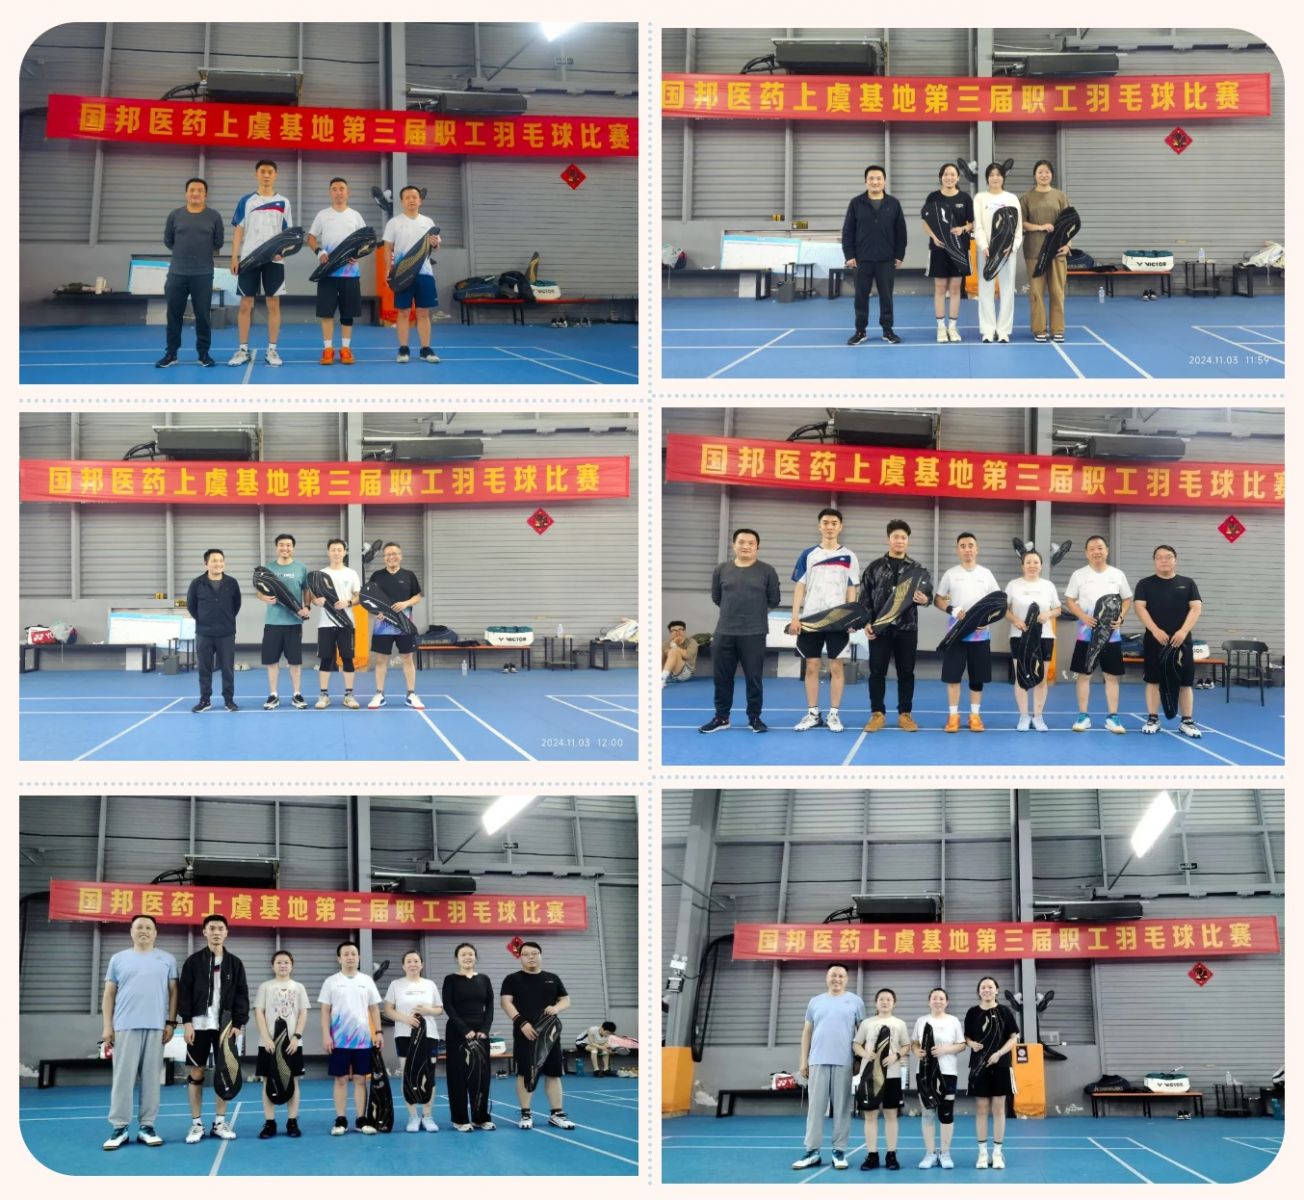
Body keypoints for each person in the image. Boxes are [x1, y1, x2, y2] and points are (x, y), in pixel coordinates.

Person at [101, 915, 178, 1150]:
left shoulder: (167, 959)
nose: (144, 930)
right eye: (139, 927)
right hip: (125, 1026)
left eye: (148, 927)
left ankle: (147, 1126)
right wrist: (107, 1026)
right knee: (122, 1079)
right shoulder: (118, 959)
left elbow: (174, 992)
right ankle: (120, 1127)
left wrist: (171, 1022)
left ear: (155, 933)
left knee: (152, 1080)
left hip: (156, 1027)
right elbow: (109, 994)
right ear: (131, 931)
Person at [699, 528, 781, 734]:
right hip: (724, 632)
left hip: (754, 633)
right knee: (722, 678)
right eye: (741, 542)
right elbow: (717, 597)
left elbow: (774, 599)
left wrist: (753, 614)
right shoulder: (721, 569)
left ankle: (754, 718)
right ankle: (721, 717)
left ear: (757, 547)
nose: (746, 546)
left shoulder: (767, 571)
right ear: (733, 545)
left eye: (751, 543)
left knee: (754, 679)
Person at [177, 914, 249, 1145]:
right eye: (212, 928)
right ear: (205, 932)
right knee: (196, 1072)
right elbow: (184, 993)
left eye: (220, 928)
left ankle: (219, 1122)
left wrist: (238, 1023)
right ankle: (196, 1123)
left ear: (226, 933)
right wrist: (187, 1022)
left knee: (224, 1072)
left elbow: (242, 995)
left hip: (225, 1026)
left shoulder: (235, 963)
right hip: (198, 1026)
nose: (216, 932)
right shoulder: (193, 962)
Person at [788, 507, 861, 733]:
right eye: (826, 523)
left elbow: (852, 588)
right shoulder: (808, 554)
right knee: (811, 666)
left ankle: (834, 714)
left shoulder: (849, 556)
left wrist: (850, 618)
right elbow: (800, 587)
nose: (830, 527)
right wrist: (795, 617)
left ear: (840, 527)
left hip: (837, 621)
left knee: (836, 666)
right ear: (819, 526)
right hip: (811, 620)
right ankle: (812, 713)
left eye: (834, 523)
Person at [859, 519, 933, 732]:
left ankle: (905, 715)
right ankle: (877, 714)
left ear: (908, 540)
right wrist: (867, 622)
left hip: (907, 628)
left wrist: (925, 600)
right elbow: (865, 598)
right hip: (880, 629)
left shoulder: (917, 569)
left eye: (903, 537)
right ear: (888, 539)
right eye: (895, 537)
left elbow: (928, 594)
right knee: (877, 672)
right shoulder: (874, 568)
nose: (899, 541)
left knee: (906, 672)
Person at [792, 964, 865, 1171]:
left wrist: (859, 1061)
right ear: (827, 978)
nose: (837, 979)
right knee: (815, 1109)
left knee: (841, 1109)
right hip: (817, 1061)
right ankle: (812, 1151)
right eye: (833, 975)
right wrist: (803, 1060)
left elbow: (862, 1034)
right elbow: (807, 1032)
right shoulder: (815, 1002)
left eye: (841, 976)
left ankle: (839, 1151)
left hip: (844, 1062)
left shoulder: (856, 1002)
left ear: (846, 979)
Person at [500, 941, 577, 1131]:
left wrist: (556, 1008)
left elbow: (566, 1000)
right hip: (525, 1033)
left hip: (550, 1035)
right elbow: (506, 1002)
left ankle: (557, 1114)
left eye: (534, 953)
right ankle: (526, 1113)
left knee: (553, 1073)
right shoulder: (512, 979)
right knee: (525, 1073)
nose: (531, 957)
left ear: (540, 955)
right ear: (520, 957)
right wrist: (521, 1022)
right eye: (526, 954)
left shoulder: (552, 978)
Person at [1133, 545, 1204, 738]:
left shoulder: (1188, 583)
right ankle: (1153, 719)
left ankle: (1187, 721)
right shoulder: (1145, 584)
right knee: (1153, 680)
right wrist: (1155, 630)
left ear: (1175, 560)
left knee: (1185, 682)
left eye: (1168, 556)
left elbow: (1196, 608)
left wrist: (1183, 631)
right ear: (1154, 561)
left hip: (1181, 642)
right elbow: (1139, 608)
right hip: (1154, 641)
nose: (1164, 560)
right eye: (1159, 557)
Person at [1064, 536, 1133, 734]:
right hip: (1086, 635)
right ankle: (1083, 716)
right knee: (1084, 675)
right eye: (1092, 548)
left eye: (1100, 548)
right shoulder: (1078, 575)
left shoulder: (1117, 574)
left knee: (1111, 676)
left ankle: (1113, 717)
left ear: (1107, 550)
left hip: (1112, 636)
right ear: (1086, 553)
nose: (1096, 551)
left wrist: (1121, 617)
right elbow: (1070, 600)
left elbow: (1127, 599)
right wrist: (1083, 616)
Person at [934, 532, 1003, 732]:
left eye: (970, 545)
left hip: (980, 636)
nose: (967, 549)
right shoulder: (951, 574)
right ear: (958, 550)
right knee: (953, 677)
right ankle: (953, 716)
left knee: (977, 678)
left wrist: (987, 619)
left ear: (977, 549)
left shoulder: (986, 574)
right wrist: (951, 609)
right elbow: (938, 599)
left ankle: (975, 716)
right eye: (963, 546)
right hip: (955, 636)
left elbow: (998, 602)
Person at [228, 159, 293, 367]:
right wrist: (234, 257)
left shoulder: (284, 202)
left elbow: (288, 234)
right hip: (249, 258)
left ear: (275, 175)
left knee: (273, 303)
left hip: (274, 260)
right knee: (245, 304)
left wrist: (283, 252)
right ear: (256, 174)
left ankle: (272, 350)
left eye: (270, 172)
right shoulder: (246, 201)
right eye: (263, 171)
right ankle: (242, 350)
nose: (266, 175)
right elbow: (238, 230)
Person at [157, 177, 224, 368]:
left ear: (205, 194)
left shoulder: (214, 216)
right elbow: (168, 241)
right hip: (177, 274)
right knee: (173, 315)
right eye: (192, 190)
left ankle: (203, 354)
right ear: (186, 193)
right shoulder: (175, 215)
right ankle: (171, 354)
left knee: (203, 316)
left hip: (203, 275)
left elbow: (218, 243)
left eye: (200, 190)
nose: (195, 193)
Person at [319, 940, 383, 1135]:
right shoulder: (331, 981)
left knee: (360, 1079)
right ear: (339, 958)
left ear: (359, 957)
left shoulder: (367, 980)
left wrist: (378, 1032)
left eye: (353, 954)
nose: (350, 957)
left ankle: (361, 1119)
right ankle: (341, 1120)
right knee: (340, 1079)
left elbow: (374, 1008)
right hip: (339, 1040)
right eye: (346, 954)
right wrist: (326, 1035)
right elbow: (325, 1010)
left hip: (363, 1040)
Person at [842, 165, 907, 345]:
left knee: (886, 297)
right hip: (861, 260)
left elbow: (901, 232)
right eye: (871, 178)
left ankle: (888, 330)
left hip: (886, 259)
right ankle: (860, 331)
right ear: (866, 181)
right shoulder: (856, 203)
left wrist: (899, 255)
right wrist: (849, 255)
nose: (875, 181)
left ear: (884, 181)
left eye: (879, 178)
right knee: (861, 297)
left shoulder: (893, 204)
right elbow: (848, 231)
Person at [307, 177, 368, 364]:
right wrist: (319, 251)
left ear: (348, 192)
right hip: (328, 273)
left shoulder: (355, 216)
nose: (338, 192)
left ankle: (345, 349)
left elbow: (366, 240)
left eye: (342, 189)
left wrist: (359, 254)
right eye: (334, 189)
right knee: (326, 313)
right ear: (330, 192)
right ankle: (328, 350)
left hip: (350, 273)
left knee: (347, 313)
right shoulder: (322, 215)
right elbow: (311, 238)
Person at [383, 951, 444, 1133]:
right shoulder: (396, 985)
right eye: (409, 961)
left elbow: (439, 1009)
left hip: (429, 1035)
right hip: (404, 1035)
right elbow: (388, 1010)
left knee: (429, 1075)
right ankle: (412, 1116)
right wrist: (405, 1019)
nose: (413, 964)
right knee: (408, 1075)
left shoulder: (429, 984)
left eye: (416, 961)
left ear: (421, 964)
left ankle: (428, 1116)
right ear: (403, 965)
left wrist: (428, 1010)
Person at [963, 976, 1020, 1170]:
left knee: (998, 1108)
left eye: (990, 987)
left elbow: (1013, 1038)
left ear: (996, 990)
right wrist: (971, 1043)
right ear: (979, 991)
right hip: (979, 1065)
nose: (986, 990)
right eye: (983, 987)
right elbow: (966, 1037)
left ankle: (997, 1153)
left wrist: (999, 1053)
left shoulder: (1005, 1011)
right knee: (981, 1108)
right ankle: (982, 1153)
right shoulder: (972, 1012)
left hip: (1001, 1064)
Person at [253, 949, 310, 1139]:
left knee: (292, 1081)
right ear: (272, 966)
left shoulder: (298, 987)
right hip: (269, 1044)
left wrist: (296, 1037)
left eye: (286, 962)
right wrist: (266, 1038)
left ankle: (292, 1121)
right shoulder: (265, 987)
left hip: (292, 1044)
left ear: (292, 966)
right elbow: (259, 1012)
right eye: (279, 962)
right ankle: (269, 1122)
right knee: (267, 1081)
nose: (283, 965)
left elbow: (303, 1013)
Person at [382, 185, 442, 363]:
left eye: (414, 197)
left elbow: (436, 247)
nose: (411, 200)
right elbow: (387, 248)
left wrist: (435, 244)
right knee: (403, 312)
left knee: (423, 312)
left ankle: (425, 350)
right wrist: (388, 269)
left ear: (420, 200)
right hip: (402, 274)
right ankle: (403, 349)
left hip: (425, 273)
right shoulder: (394, 223)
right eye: (407, 197)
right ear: (402, 202)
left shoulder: (428, 222)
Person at [852, 987, 910, 1172]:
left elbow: (906, 1045)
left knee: (891, 1115)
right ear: (876, 1003)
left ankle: (891, 1155)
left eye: (888, 999)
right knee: (870, 1116)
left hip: (892, 1076)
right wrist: (865, 1054)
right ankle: (872, 1155)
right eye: (881, 999)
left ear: (894, 1003)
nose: (885, 1002)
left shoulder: (900, 1024)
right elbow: (856, 1044)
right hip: (870, 1075)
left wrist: (897, 1055)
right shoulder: (867, 1023)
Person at [441, 942, 496, 1132]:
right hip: (457, 1032)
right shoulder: (450, 979)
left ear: (475, 957)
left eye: (470, 954)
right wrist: (464, 1029)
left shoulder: (484, 979)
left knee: (481, 1076)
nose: (467, 957)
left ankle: (480, 1118)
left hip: (480, 1033)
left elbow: (490, 1006)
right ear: (457, 959)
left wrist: (485, 1029)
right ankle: (460, 1119)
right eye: (463, 954)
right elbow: (448, 1006)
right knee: (458, 1076)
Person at [1006, 549, 1062, 731]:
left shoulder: (1048, 586)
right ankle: (1023, 716)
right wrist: (1015, 620)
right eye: (1028, 562)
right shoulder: (1013, 585)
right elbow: (1004, 609)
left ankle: (1038, 717)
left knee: (1041, 678)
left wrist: (1049, 614)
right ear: (1022, 565)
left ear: (1041, 566)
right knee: (1021, 677)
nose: (1032, 565)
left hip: (1044, 637)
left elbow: (1058, 609)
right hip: (1019, 636)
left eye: (1036, 562)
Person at [367, 541, 425, 710]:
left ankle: (411, 695)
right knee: (381, 660)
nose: (391, 557)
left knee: (407, 658)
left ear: (400, 556)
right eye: (387, 554)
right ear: (384, 557)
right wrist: (376, 612)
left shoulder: (409, 575)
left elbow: (417, 597)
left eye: (394, 554)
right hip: (382, 626)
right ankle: (379, 694)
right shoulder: (377, 576)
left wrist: (405, 603)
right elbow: (369, 598)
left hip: (405, 625)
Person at [912, 987, 966, 1169]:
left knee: (946, 1112)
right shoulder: (921, 1021)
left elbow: (961, 1045)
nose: (938, 1001)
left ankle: (945, 1153)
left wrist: (945, 1049)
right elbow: (914, 1042)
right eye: (934, 998)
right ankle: (930, 1153)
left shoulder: (953, 1021)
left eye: (941, 998)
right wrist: (916, 1051)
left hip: (947, 1073)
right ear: (929, 1002)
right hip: (925, 1073)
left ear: (946, 1002)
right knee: (928, 1113)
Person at [920, 163, 974, 344]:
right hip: (939, 249)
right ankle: (941, 328)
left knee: (955, 289)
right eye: (945, 174)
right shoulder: (933, 197)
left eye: (952, 174)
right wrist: (934, 237)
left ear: (958, 177)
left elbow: (972, 222)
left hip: (959, 249)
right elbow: (925, 221)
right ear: (941, 177)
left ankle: (952, 327)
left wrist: (963, 228)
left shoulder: (965, 198)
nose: (949, 177)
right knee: (940, 288)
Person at [256, 533, 311, 711]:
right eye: (281, 545)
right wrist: (264, 598)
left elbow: (306, 590)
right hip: (273, 622)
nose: (285, 548)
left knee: (295, 661)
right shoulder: (268, 568)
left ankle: (297, 694)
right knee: (272, 661)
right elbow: (259, 590)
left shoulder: (301, 568)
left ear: (292, 548)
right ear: (276, 547)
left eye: (288, 545)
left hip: (294, 623)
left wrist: (307, 606)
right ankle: (273, 695)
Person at [1020, 160, 1073, 343]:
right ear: (1034, 175)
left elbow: (1070, 223)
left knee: (1057, 291)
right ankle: (1039, 329)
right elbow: (1021, 223)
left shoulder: (1060, 196)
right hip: (1034, 251)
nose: (1044, 175)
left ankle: (1058, 329)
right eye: (1040, 172)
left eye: (1047, 172)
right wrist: (1040, 227)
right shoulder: (1026, 197)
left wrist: (1068, 245)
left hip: (1057, 252)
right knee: (1036, 292)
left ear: (1052, 175)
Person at [309, 537, 363, 709]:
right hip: (326, 624)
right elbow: (313, 597)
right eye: (333, 549)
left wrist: (348, 602)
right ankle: (324, 695)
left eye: (340, 549)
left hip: (347, 624)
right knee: (325, 659)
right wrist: (316, 601)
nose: (336, 553)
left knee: (347, 659)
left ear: (344, 552)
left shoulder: (351, 573)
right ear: (328, 552)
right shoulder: (320, 574)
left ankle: (349, 696)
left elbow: (359, 597)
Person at [186, 548, 242, 713]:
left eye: (221, 560)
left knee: (227, 669)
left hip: (226, 633)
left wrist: (226, 619)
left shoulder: (232, 583)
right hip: (204, 633)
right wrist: (204, 620)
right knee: (204, 669)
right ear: (206, 563)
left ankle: (229, 701)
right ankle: (205, 700)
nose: (218, 563)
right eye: (214, 560)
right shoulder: (197, 583)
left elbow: (236, 605)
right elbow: (191, 606)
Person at [973, 162, 1023, 343]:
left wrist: (1013, 247)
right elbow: (978, 225)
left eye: (998, 174)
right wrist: (983, 246)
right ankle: (988, 330)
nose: (995, 178)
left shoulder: (1012, 198)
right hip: (986, 252)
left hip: (1007, 253)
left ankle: (1003, 331)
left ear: (1003, 177)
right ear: (987, 178)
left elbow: (1018, 227)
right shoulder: (980, 198)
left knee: (1007, 290)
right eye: (991, 175)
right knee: (985, 289)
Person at [662, 620, 699, 687]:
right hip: (670, 673)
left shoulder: (692, 642)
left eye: (680, 629)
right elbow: (664, 656)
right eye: (674, 630)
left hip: (685, 672)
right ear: (670, 633)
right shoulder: (666, 643)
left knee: (674, 651)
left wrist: (674, 645)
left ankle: (662, 679)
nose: (677, 632)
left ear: (684, 631)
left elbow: (688, 656)